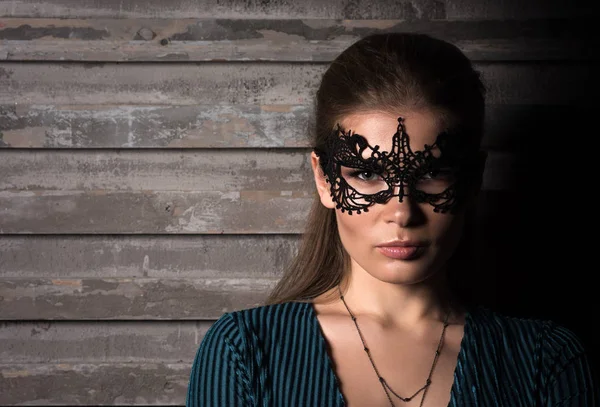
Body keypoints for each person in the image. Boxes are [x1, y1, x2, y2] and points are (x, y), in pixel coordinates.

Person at [185, 32, 598, 406]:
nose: (401, 212)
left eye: (434, 173)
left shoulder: (546, 360)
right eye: (366, 174)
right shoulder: (246, 351)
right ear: (324, 179)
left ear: (473, 179)